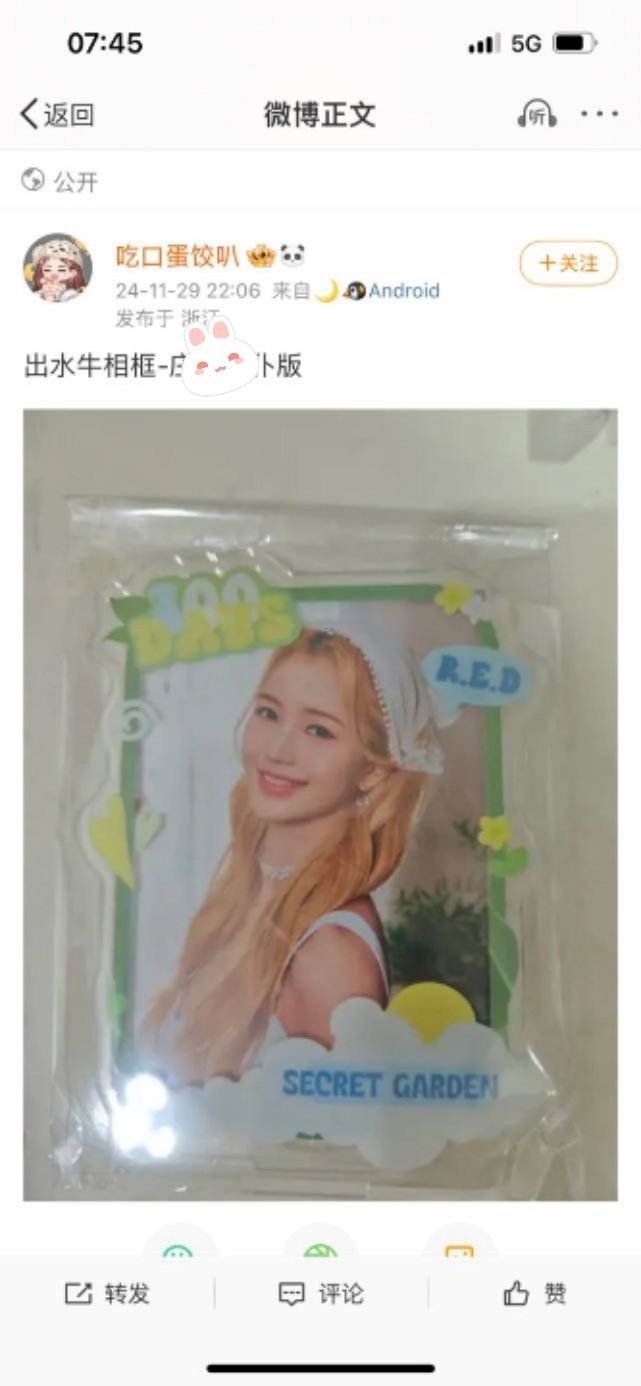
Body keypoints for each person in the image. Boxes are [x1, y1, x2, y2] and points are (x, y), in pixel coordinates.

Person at [144, 621, 444, 1084]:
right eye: (268, 713)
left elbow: (331, 1129)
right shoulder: (246, 895)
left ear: (373, 770)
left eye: (319, 730)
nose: (277, 750)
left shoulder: (330, 952)